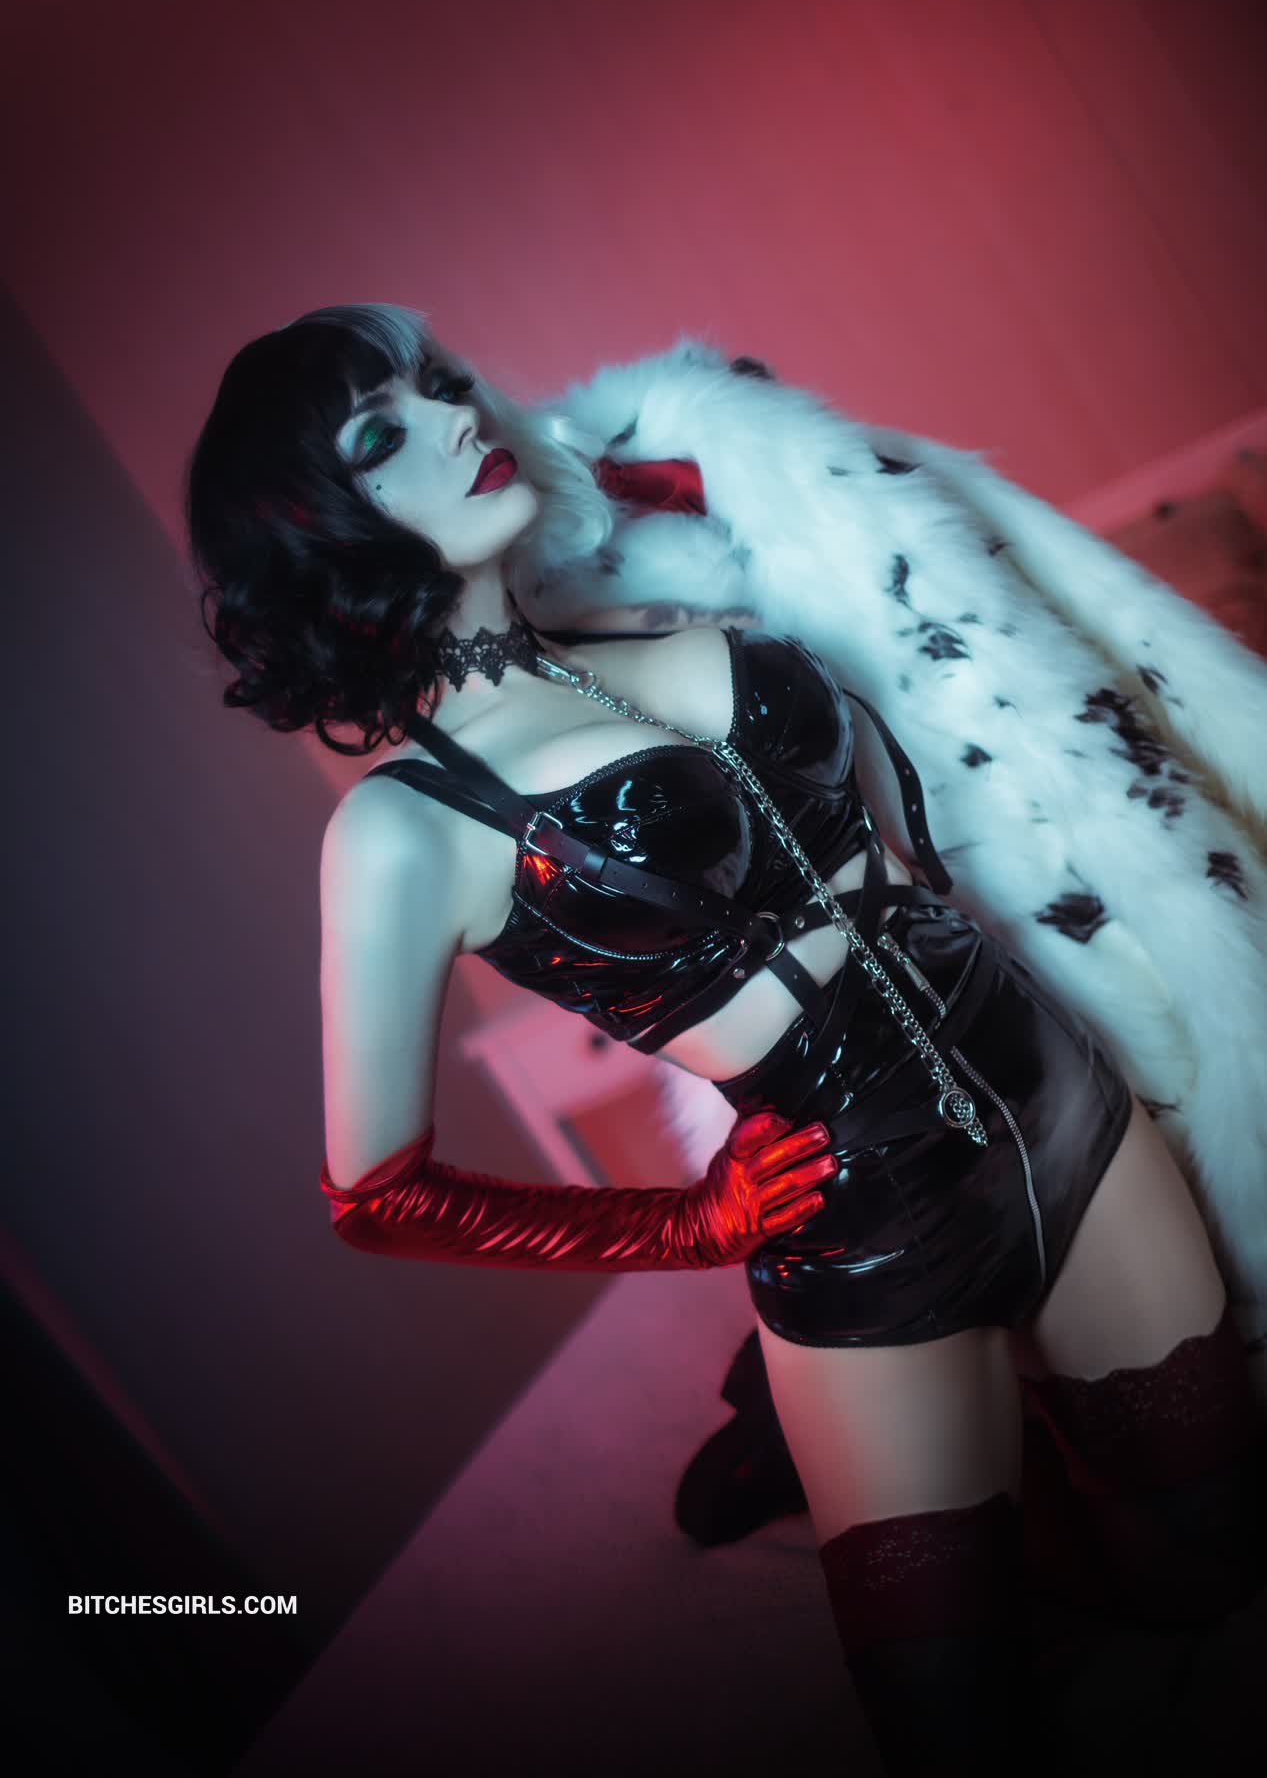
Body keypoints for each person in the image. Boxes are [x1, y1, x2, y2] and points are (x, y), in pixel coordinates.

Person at [185, 304, 1267, 1775]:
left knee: (1213, 1570)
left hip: (1061, 1097)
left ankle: (1003, 1459)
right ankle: (799, 1421)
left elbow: (782, 489)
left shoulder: (643, 616)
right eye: (386, 433)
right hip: (861, 1235)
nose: (456, 416)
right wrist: (691, 1223)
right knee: (955, 1734)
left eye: (444, 380)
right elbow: (374, 1191)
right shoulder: (399, 832)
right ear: (316, 529)